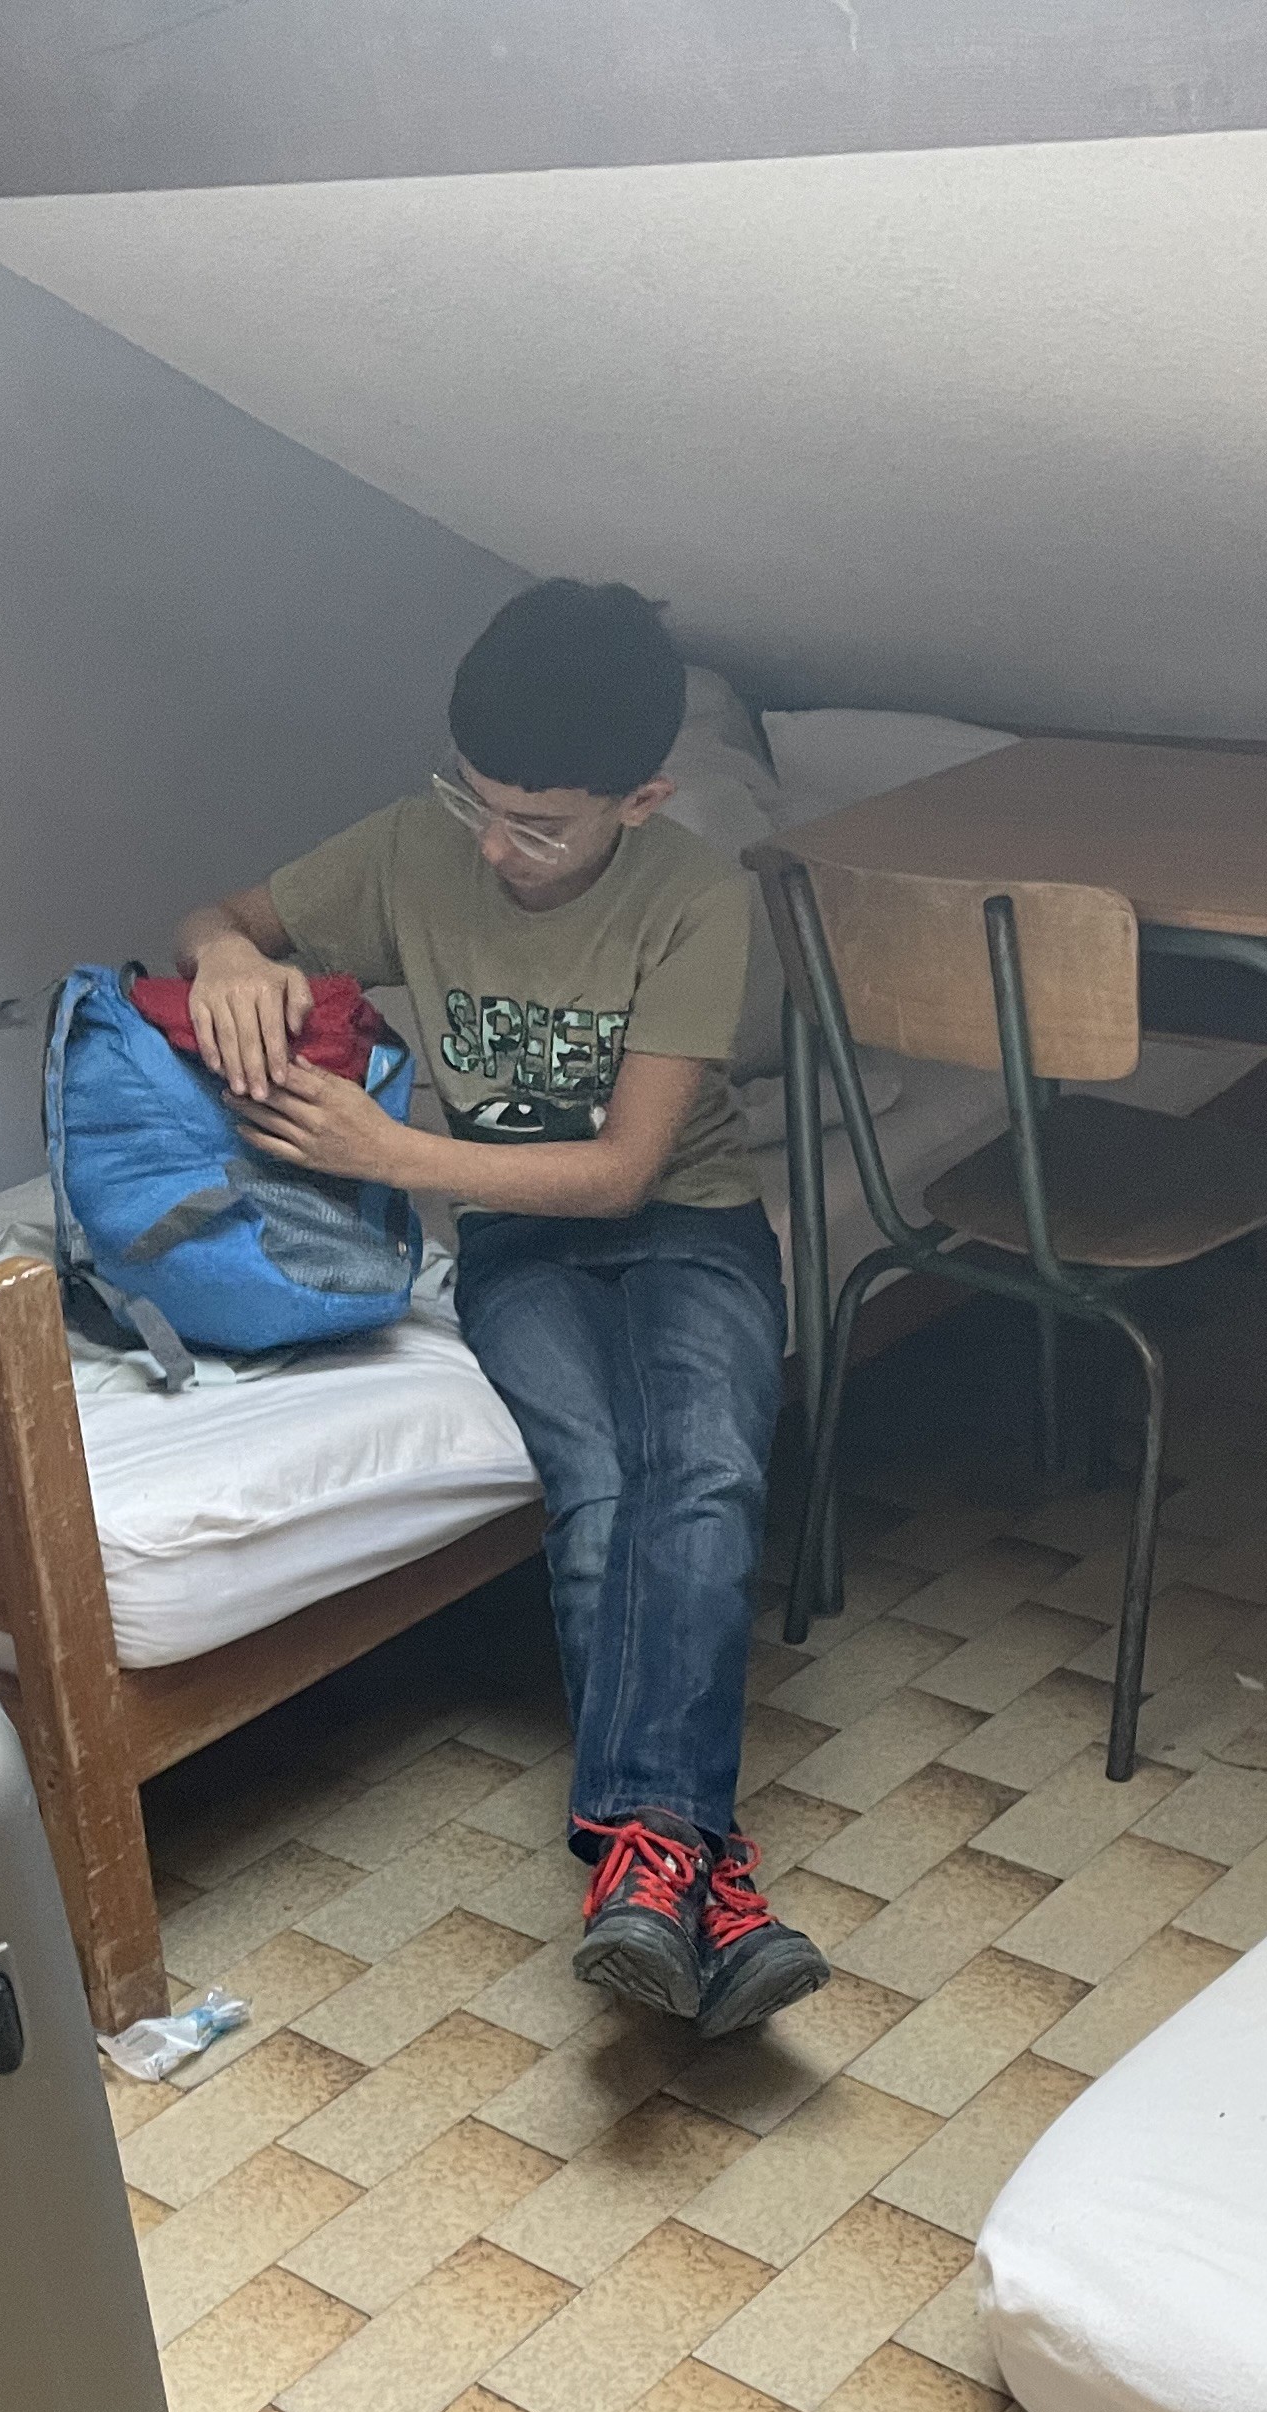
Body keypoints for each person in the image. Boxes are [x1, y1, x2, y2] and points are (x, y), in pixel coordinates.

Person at [167, 579, 829, 2040]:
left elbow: (623, 1170)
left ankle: (649, 1864)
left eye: (538, 825)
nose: (491, 844)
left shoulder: (695, 898)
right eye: (475, 797)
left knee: (706, 1472)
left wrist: (388, 1152)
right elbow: (218, 912)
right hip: (521, 1246)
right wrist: (227, 954)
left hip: (689, 1228)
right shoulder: (416, 847)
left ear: (641, 802)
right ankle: (697, 1876)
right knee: (598, 1486)